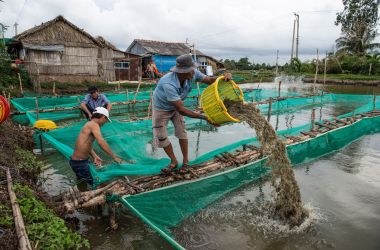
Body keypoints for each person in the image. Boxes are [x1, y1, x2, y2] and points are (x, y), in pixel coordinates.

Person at [152, 54, 232, 173]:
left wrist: (223, 77)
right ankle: (173, 162)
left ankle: (185, 162)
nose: (194, 72)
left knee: (181, 132)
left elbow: (209, 80)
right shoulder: (168, 83)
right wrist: (204, 117)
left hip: (177, 106)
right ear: (182, 72)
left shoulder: (192, 73)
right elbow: (181, 110)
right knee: (161, 136)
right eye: (191, 70)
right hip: (161, 108)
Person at [69, 107, 122, 186]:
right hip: (80, 163)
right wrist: (114, 157)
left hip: (77, 162)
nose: (105, 123)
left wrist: (94, 156)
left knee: (82, 183)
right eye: (106, 120)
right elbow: (101, 142)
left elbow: (86, 144)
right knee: (99, 184)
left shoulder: (89, 124)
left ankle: (82, 191)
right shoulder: (94, 125)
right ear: (103, 117)